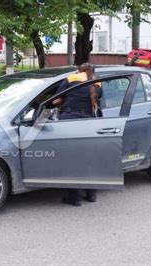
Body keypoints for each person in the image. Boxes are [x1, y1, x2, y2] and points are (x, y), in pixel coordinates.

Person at [52, 63, 103, 207]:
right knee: (88, 159)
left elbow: (56, 100)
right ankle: (91, 194)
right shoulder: (97, 83)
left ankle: (74, 197)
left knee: (71, 160)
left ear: (79, 70)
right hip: (88, 124)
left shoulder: (71, 78)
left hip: (70, 123)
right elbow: (95, 100)